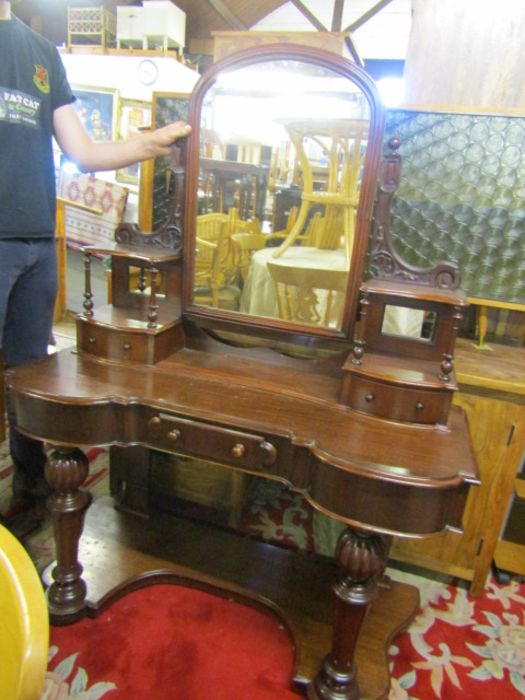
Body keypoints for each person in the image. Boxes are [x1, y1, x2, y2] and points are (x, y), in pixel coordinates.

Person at [0, 1, 191, 513]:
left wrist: (149, 144)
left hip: (38, 241)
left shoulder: (41, 52)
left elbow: (82, 151)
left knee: (29, 374)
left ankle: (31, 487)